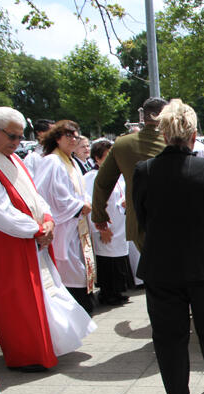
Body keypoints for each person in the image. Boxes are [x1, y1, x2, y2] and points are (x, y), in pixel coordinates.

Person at [0, 107, 94, 371]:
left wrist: (46, 218)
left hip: (29, 240)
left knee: (43, 295)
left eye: (20, 137)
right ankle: (27, 354)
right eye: (12, 137)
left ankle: (45, 346)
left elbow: (35, 194)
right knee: (18, 303)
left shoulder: (11, 158)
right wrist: (36, 229)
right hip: (4, 246)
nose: (17, 143)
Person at [133, 99, 204, 394]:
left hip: (161, 265)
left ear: (164, 134)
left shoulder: (144, 171)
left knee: (168, 334)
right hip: (202, 264)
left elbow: (143, 217)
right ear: (193, 135)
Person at [35, 120, 96, 313]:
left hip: (77, 223)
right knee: (69, 267)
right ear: (57, 138)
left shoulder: (70, 160)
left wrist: (85, 201)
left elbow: (79, 189)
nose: (73, 139)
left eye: (76, 135)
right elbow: (49, 194)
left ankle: (84, 304)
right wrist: (79, 206)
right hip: (64, 224)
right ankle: (73, 307)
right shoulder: (52, 161)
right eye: (68, 135)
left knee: (79, 264)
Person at [92, 97, 167, 251]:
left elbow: (102, 182)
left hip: (139, 220)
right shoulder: (174, 142)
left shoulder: (122, 144)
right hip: (172, 219)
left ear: (142, 117)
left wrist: (99, 215)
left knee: (152, 269)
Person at [84, 139, 130, 306]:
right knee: (107, 262)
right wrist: (101, 227)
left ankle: (117, 291)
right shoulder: (91, 177)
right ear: (97, 158)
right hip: (106, 226)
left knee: (118, 261)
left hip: (119, 225)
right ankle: (107, 293)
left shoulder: (117, 174)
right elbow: (93, 202)